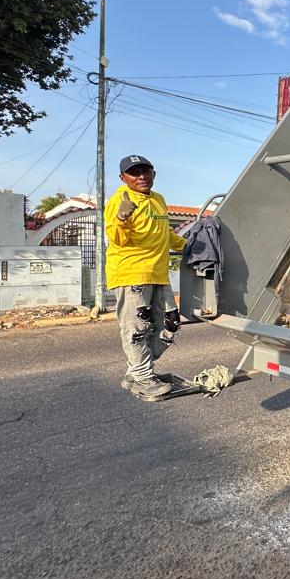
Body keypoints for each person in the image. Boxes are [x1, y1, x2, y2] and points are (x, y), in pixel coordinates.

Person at [104, 155, 187, 401]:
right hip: (131, 274)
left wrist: (187, 246)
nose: (141, 176)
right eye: (134, 173)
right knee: (137, 329)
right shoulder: (120, 200)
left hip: (158, 273)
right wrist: (121, 218)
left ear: (153, 173)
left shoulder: (158, 199)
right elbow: (116, 239)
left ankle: (136, 370)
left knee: (170, 323)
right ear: (123, 178)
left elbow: (165, 232)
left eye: (145, 171)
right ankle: (143, 377)